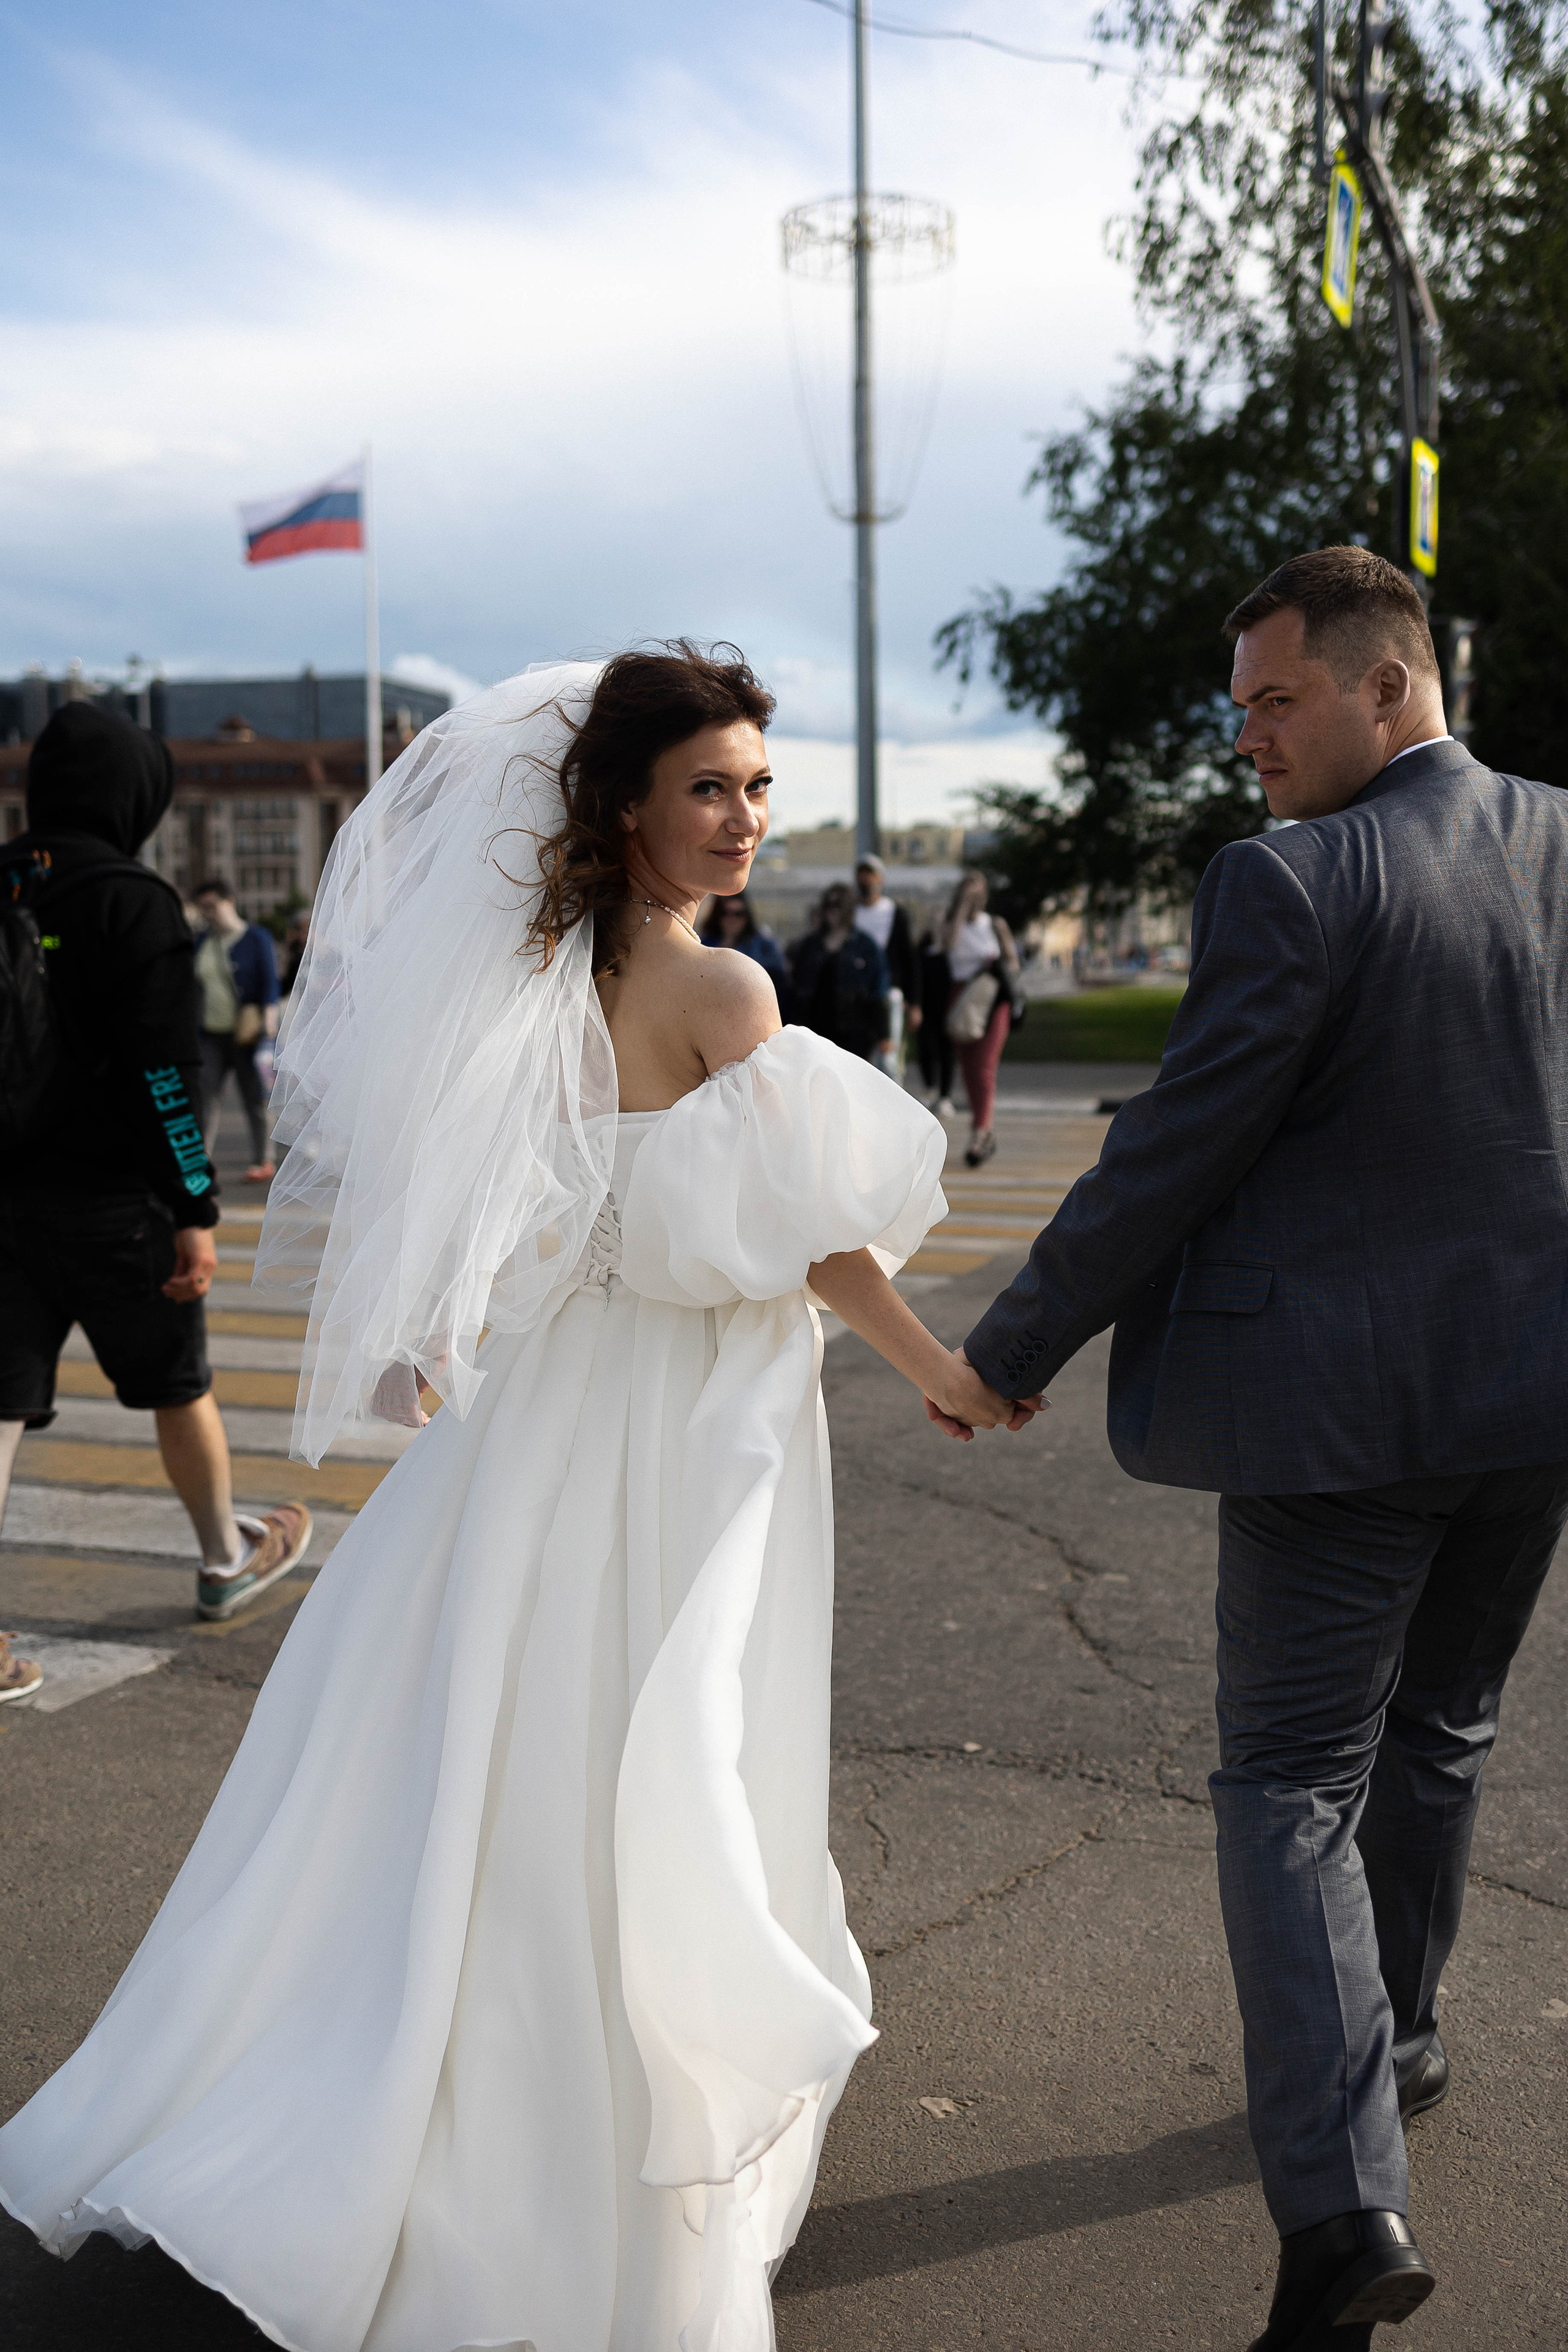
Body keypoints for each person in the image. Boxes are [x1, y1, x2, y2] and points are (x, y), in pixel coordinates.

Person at [0, 647, 1040, 2351]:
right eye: (710, 785)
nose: (743, 818)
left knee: (483, 1746)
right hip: (681, 1414)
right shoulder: (728, 998)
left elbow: (504, 1204)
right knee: (660, 1737)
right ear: (628, 803)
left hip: (542, 1409)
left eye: (759, 787)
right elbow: (820, 1242)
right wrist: (939, 1368)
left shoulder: (537, 973)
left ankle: (404, 2088)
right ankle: (586, 2124)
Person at [952, 546, 1568, 2350]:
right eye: (1235, 714)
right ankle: (1407, 2027)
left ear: (1389, 685)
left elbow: (1168, 1154)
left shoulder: (1294, 881)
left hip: (1338, 1424)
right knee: (1438, 1728)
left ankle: (1337, 2206)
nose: (1248, 741)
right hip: (1535, 1406)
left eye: (1276, 702)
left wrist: (1008, 1344)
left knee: (1286, 1781)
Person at [0, 704, 312, 1640]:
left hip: (2, 1204)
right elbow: (166, 1080)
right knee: (177, 1385)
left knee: (0, 1405)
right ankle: (225, 1557)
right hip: (115, 1206)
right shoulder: (132, 900)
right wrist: (194, 1206)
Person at [193, 876, 280, 1183]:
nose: (208, 913)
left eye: (212, 906)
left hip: (246, 1034)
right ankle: (199, 1162)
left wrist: (269, 1022)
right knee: (204, 1097)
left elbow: (271, 982)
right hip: (211, 1034)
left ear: (230, 902)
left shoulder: (256, 937)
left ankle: (262, 1159)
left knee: (253, 1098)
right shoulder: (203, 941)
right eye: (203, 908)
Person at [941, 870, 1019, 1166]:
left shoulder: (996, 925)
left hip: (993, 998)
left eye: (978, 892)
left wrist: (998, 966)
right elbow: (948, 945)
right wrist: (962, 908)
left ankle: (980, 1133)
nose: (974, 897)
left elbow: (1013, 962)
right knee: (969, 1069)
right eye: (967, 891)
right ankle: (981, 1128)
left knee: (985, 1067)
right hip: (962, 998)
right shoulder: (951, 923)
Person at [788, 878, 890, 1060]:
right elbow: (796, 988)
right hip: (815, 1029)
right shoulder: (810, 945)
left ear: (849, 908)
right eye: (829, 904)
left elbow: (878, 990)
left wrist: (884, 1034)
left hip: (855, 1030)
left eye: (838, 905)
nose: (833, 910)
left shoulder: (865, 946)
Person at [853, 853, 920, 1079]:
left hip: (889, 994)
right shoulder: (851, 914)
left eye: (870, 875)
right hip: (859, 995)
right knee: (859, 1060)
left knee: (888, 1060)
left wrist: (915, 1002)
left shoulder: (894, 913)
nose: (866, 880)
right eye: (862, 875)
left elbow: (908, 959)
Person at [697, 886, 791, 1016]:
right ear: (718, 915)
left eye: (738, 914)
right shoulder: (703, 944)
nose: (733, 919)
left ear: (746, 916)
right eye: (726, 913)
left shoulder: (764, 946)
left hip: (752, 1012)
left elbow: (778, 986)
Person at [916, 913, 957, 1113]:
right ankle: (930, 1088)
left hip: (948, 1007)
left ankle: (945, 1095)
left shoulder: (952, 951)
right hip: (925, 1007)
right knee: (926, 1048)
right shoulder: (921, 950)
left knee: (947, 1051)